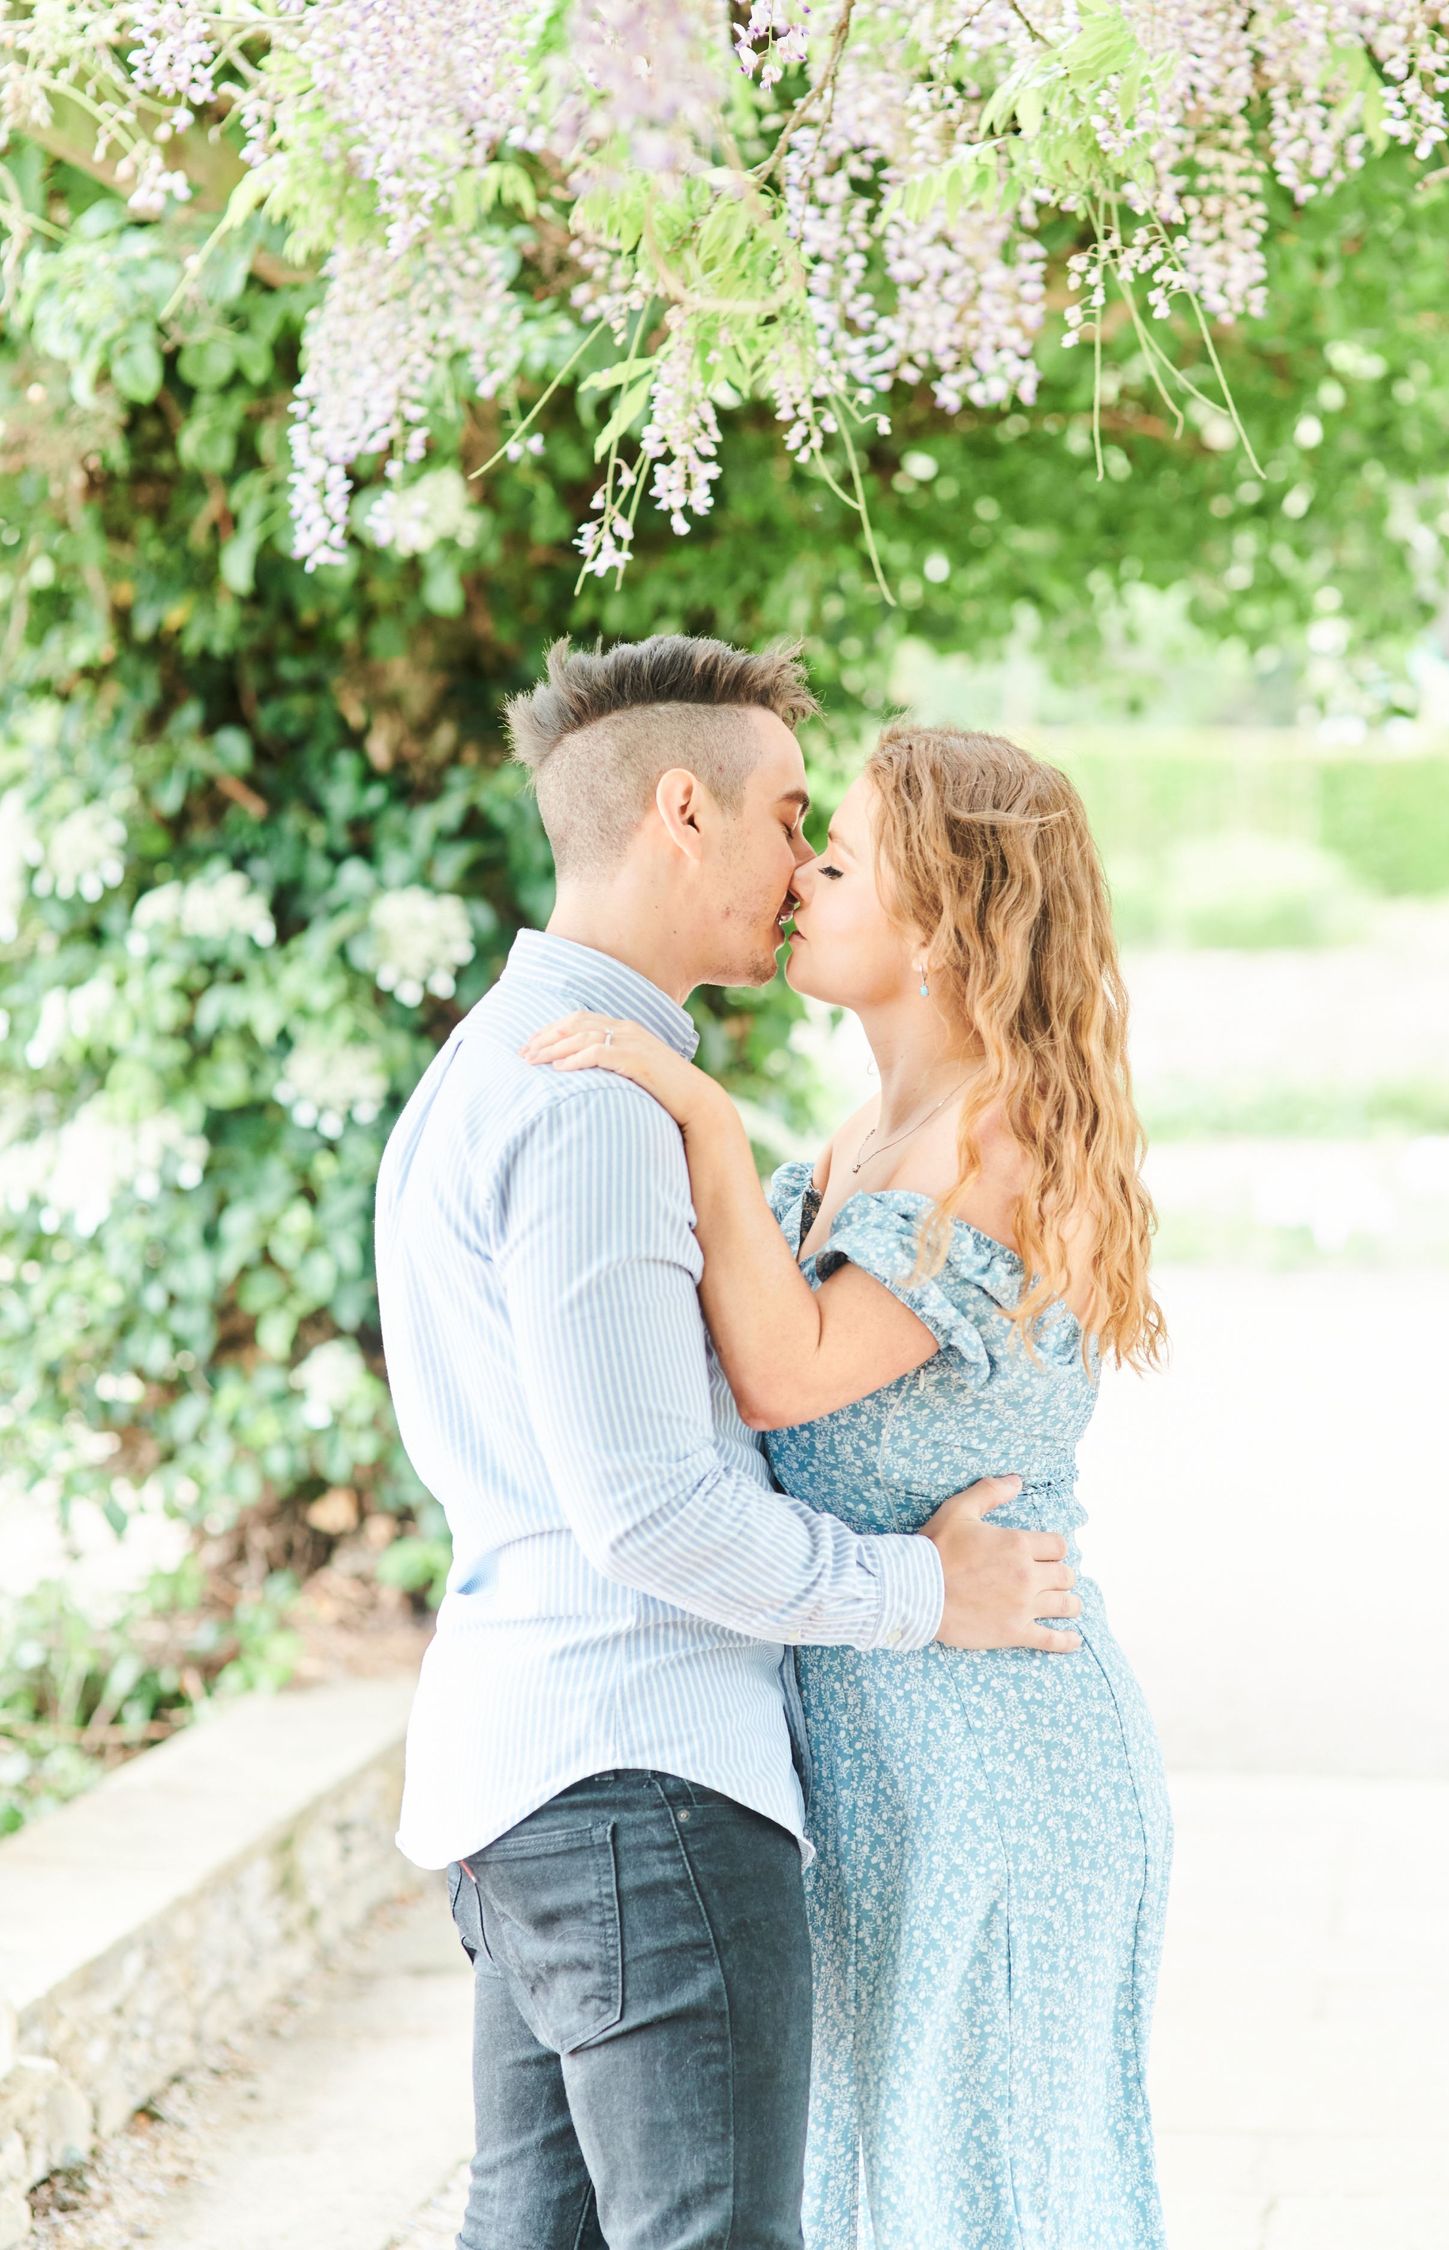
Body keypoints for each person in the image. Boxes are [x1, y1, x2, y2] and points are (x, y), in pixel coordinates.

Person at [372, 634, 1083, 2250]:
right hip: (638, 1779)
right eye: (788, 818)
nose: (798, 862)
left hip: (533, 1770)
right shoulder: (595, 1106)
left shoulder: (495, 1064)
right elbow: (654, 1516)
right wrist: (924, 1591)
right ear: (681, 810)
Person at [525, 720, 1173, 2247]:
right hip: (873, 1738)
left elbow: (787, 1371)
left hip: (1001, 1755)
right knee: (880, 2182)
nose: (802, 872)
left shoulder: (997, 1136)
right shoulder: (862, 1140)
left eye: (843, 852)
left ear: (944, 918)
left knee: (984, 2185)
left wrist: (698, 1115)